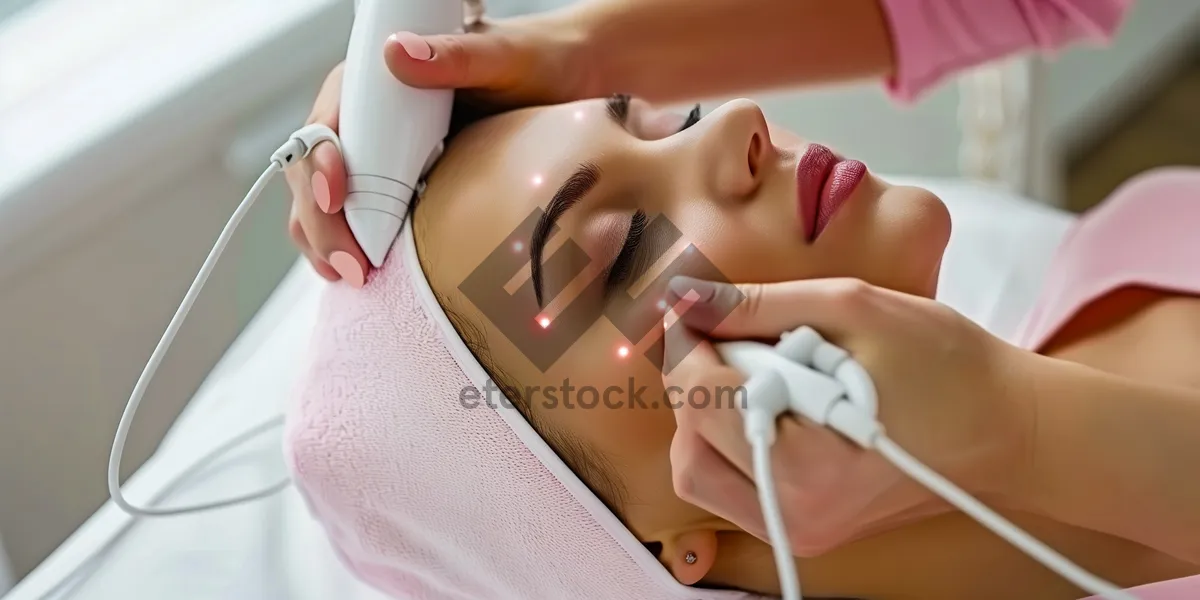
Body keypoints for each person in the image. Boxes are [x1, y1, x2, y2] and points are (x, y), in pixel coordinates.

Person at [283, 88, 1200, 598]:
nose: (736, 124)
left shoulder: (1128, 253)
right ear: (655, 541)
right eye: (624, 254)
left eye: (665, 120)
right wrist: (1020, 429)